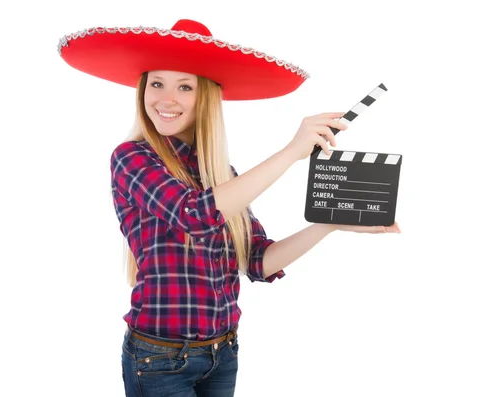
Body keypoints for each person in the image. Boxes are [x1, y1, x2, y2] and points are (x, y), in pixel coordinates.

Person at [58, 18, 400, 397]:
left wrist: (330, 223)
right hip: (159, 360)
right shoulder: (132, 158)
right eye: (156, 83)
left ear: (205, 96)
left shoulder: (223, 176)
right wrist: (290, 153)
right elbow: (194, 215)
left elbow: (259, 260)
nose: (165, 98)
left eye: (184, 86)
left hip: (223, 354)